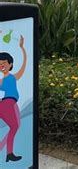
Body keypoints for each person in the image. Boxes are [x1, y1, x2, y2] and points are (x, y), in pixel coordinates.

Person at [0, 35, 27, 163]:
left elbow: (24, 66)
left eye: (4, 63)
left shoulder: (11, 77)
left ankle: (6, 151)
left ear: (10, 64)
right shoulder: (2, 80)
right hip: (7, 104)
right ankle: (8, 153)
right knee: (15, 127)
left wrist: (22, 48)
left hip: (9, 104)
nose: (2, 66)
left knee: (15, 127)